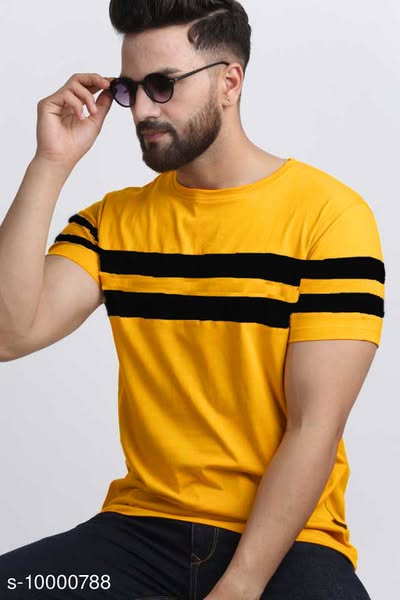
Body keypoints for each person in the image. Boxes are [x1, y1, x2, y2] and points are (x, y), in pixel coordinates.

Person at [0, 1, 385, 599]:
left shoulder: (330, 219)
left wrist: (240, 585)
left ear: (230, 82)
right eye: (130, 89)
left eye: (162, 85)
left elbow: (315, 426)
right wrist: (50, 163)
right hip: (138, 538)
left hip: (289, 544)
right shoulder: (113, 223)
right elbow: (9, 333)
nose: (142, 110)